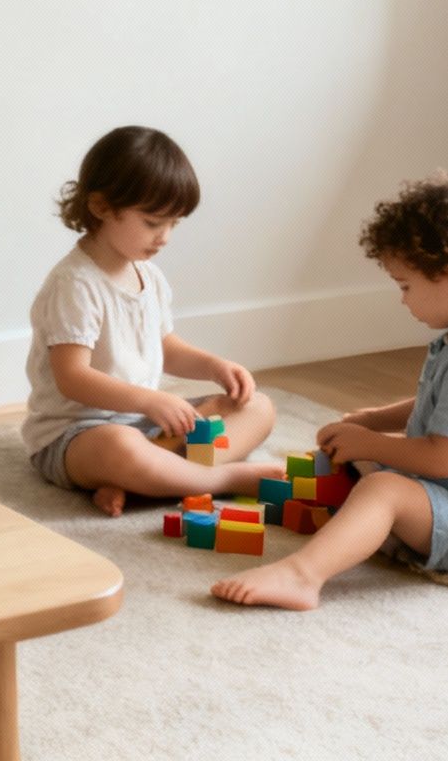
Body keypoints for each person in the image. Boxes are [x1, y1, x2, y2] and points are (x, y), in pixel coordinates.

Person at [214, 172, 448, 610]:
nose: (402, 300)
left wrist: (374, 441)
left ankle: (302, 576)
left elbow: (444, 458)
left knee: (384, 489)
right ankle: (326, 516)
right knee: (343, 455)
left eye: (406, 286)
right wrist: (377, 421)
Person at [23, 126, 279, 516]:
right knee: (119, 448)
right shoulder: (74, 284)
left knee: (257, 407)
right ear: (101, 207)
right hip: (78, 434)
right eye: (153, 222)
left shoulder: (148, 275)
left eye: (174, 223)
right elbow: (71, 377)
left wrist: (214, 367)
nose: (165, 237)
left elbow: (165, 346)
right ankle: (223, 479)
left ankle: (149, 481)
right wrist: (150, 399)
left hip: (147, 426)